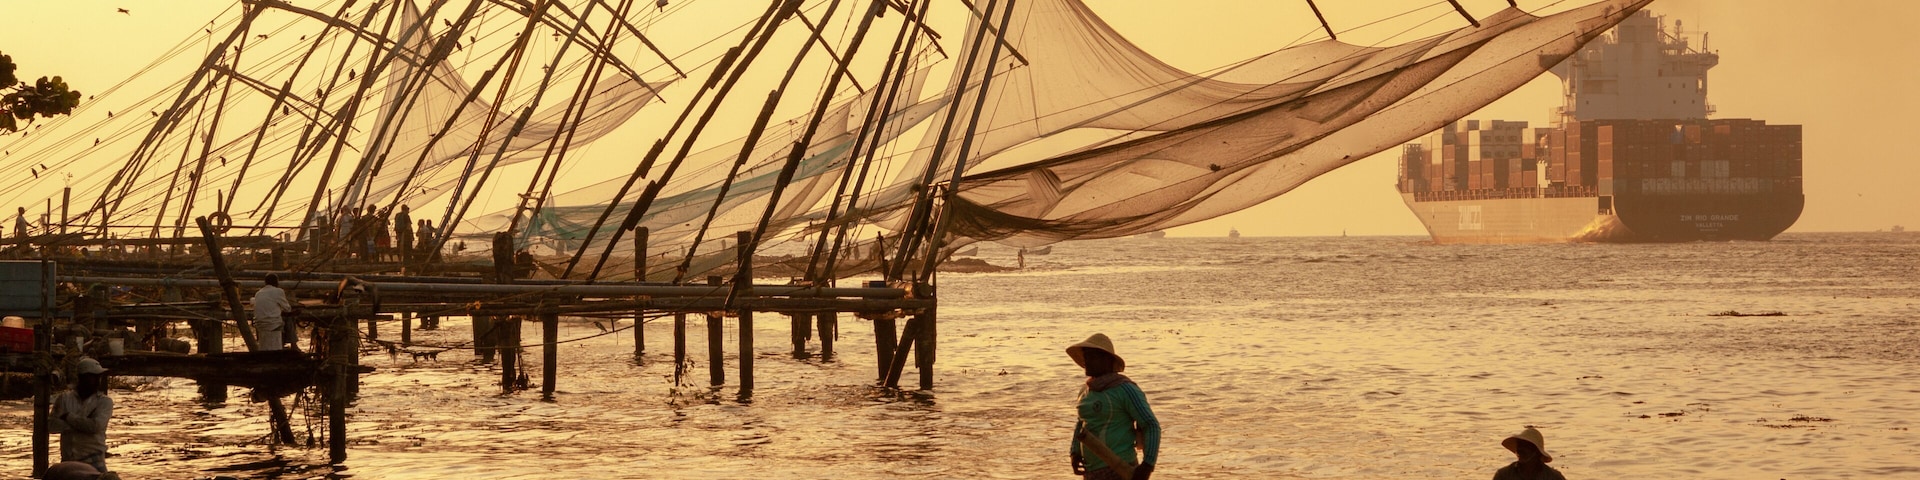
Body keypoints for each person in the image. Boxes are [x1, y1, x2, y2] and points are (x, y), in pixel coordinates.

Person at [1067, 333, 1159, 480]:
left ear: (1107, 360)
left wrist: (1147, 465)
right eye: (1086, 356)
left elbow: (1151, 425)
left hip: (1120, 469)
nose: (1087, 360)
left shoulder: (1125, 390)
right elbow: (1081, 423)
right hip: (1091, 472)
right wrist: (1074, 453)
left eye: (1092, 356)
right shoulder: (1085, 391)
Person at [51, 357, 113, 474]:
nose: (97, 380)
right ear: (82, 378)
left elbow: (95, 426)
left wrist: (69, 417)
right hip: (69, 461)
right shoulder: (64, 399)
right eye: (93, 377)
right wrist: (81, 425)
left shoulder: (104, 402)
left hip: (94, 459)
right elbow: (52, 426)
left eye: (97, 377)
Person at [1493, 427, 1566, 480]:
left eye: (1525, 446)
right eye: (1519, 446)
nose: (1520, 449)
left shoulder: (1553, 477)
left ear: (1536, 452)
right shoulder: (1504, 475)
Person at [252, 274, 293, 351]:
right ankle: (293, 343)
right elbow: (287, 309)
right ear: (276, 282)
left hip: (260, 325)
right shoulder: (278, 291)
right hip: (273, 324)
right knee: (289, 320)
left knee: (264, 347)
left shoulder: (258, 293)